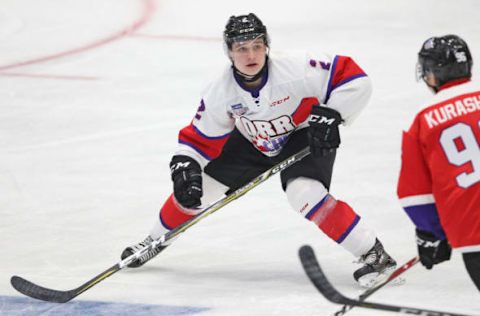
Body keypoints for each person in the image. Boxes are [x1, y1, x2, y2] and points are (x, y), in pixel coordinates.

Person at [122, 13, 396, 286]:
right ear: (229, 52)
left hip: (302, 135)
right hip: (251, 140)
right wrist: (185, 165)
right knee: (196, 191)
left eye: (256, 46)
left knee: (305, 193)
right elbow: (199, 140)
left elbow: (356, 79)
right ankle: (154, 240)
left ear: (266, 46)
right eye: (241, 48)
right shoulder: (221, 91)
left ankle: (374, 254)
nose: (251, 54)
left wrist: (332, 113)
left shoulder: (299, 68)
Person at [397, 34, 480, 291]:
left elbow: (414, 195)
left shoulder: (422, 120)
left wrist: (433, 233)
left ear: (432, 74)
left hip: (473, 235)